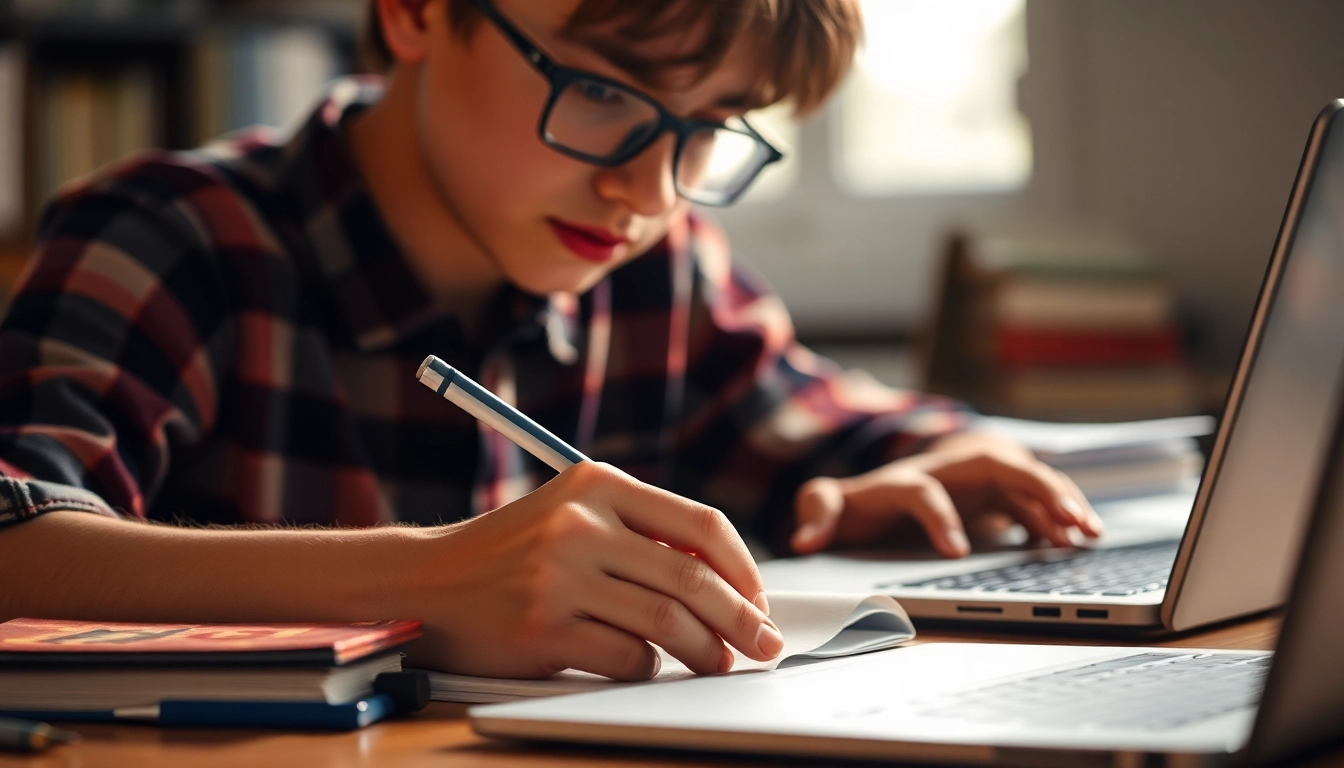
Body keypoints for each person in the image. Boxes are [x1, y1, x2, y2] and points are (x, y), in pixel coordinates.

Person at [0, 0, 1102, 681]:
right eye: (604, 93)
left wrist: (909, 464)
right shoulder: (171, 238)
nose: (648, 187)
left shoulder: (659, 270)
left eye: (710, 131)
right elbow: (15, 540)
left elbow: (819, 418)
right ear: (417, 10)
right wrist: (424, 583)